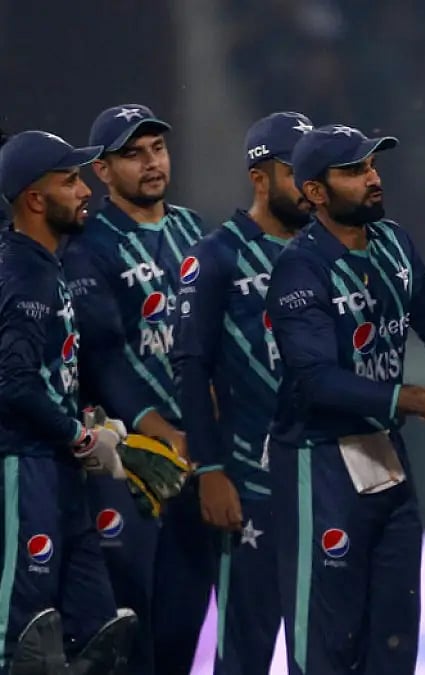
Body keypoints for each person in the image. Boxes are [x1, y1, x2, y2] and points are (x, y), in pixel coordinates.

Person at [265, 123, 425, 674]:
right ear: (315, 192)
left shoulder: (394, 242)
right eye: (354, 171)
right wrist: (421, 401)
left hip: (385, 459)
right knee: (325, 649)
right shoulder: (300, 268)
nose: (373, 178)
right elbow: (317, 381)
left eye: (372, 166)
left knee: (392, 643)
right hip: (318, 464)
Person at [60, 103, 212, 675]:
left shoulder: (195, 231)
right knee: (133, 627)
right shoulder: (88, 246)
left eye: (158, 149)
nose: (151, 164)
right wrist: (165, 432)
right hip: (131, 466)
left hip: (199, 457)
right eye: (132, 154)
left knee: (183, 623)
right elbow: (106, 361)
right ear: (101, 170)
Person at [172, 111, 313, 674]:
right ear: (260, 178)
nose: (309, 184)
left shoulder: (324, 251)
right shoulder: (216, 257)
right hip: (249, 483)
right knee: (246, 648)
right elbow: (191, 367)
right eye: (294, 171)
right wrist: (209, 469)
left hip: (319, 478)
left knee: (322, 640)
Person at [0, 130, 136, 674]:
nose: (84, 191)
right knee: (21, 636)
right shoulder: (22, 273)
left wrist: (86, 421)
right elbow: (12, 381)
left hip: (57, 468)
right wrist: (77, 435)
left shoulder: (44, 264)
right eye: (70, 181)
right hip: (23, 465)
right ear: (35, 200)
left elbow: (40, 375)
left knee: (98, 636)